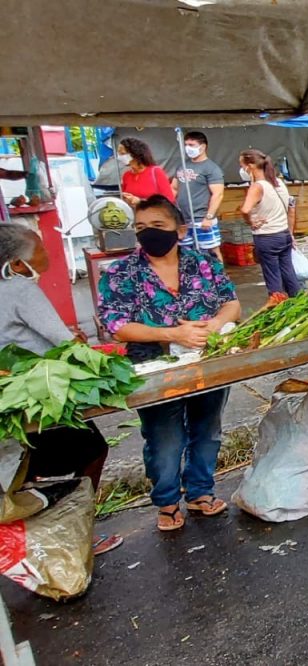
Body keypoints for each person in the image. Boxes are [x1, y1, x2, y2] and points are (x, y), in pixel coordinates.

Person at [98, 195, 240, 531]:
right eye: (141, 228)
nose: (149, 234)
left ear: (180, 228)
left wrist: (215, 325)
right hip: (153, 367)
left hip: (207, 360)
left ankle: (200, 492)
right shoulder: (121, 272)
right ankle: (166, 502)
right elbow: (117, 325)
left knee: (207, 428)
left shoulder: (203, 262)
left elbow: (231, 304)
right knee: (165, 437)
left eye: (158, 226)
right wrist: (173, 334)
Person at [0, 224, 122, 556]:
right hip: (37, 395)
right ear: (16, 264)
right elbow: (63, 342)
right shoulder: (19, 289)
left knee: (28, 472)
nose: (46, 256)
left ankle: (46, 535)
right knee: (91, 449)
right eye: (38, 251)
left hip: (11, 399)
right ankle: (76, 530)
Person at [238, 149, 299, 303]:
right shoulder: (278, 184)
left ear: (251, 166)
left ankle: (278, 308)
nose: (242, 170)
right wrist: (290, 233)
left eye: (242, 166)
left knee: (273, 277)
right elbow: (291, 209)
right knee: (288, 272)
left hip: (267, 238)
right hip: (283, 235)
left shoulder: (257, 187)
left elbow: (245, 209)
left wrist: (250, 221)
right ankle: (299, 303)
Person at [171, 131, 225, 262]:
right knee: (185, 252)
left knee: (211, 251)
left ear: (203, 146)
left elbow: (218, 194)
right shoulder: (182, 165)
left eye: (191, 144)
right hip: (183, 220)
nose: (187, 148)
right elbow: (173, 188)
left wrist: (209, 217)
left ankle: (219, 278)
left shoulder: (211, 168)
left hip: (202, 219)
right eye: (186, 144)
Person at [117, 137, 174, 207]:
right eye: (118, 153)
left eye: (122, 153)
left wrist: (141, 202)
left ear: (134, 154)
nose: (119, 157)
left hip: (154, 216)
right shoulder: (126, 175)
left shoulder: (156, 172)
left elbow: (169, 200)